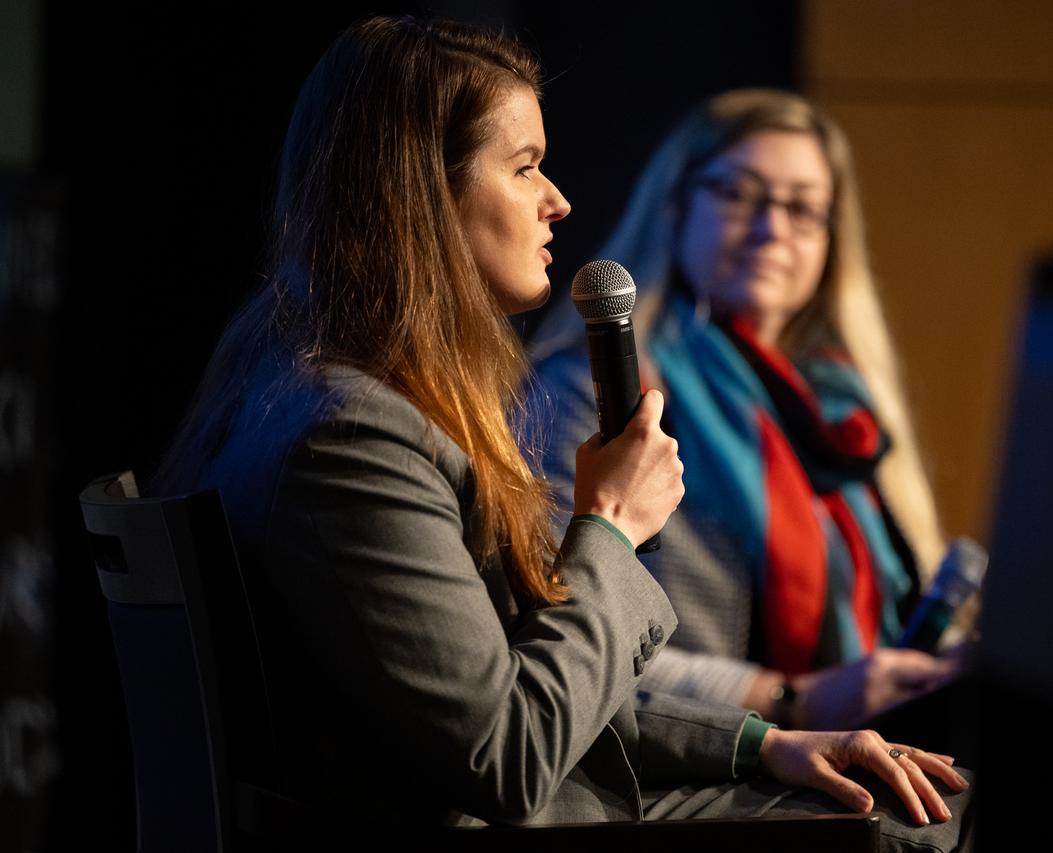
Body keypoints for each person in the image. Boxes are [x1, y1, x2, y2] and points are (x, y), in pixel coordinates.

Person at [151, 17, 971, 844]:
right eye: (526, 167)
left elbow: (538, 689)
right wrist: (610, 528)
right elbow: (505, 755)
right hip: (515, 812)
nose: (558, 200)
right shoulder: (352, 434)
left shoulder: (328, 388)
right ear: (421, 193)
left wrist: (763, 744)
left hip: (546, 789)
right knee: (926, 825)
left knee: (928, 799)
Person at [532, 89, 978, 734]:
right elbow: (561, 644)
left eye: (803, 209)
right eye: (740, 195)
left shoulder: (841, 406)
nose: (773, 228)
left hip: (874, 753)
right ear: (677, 204)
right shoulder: (594, 391)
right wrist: (791, 698)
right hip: (705, 780)